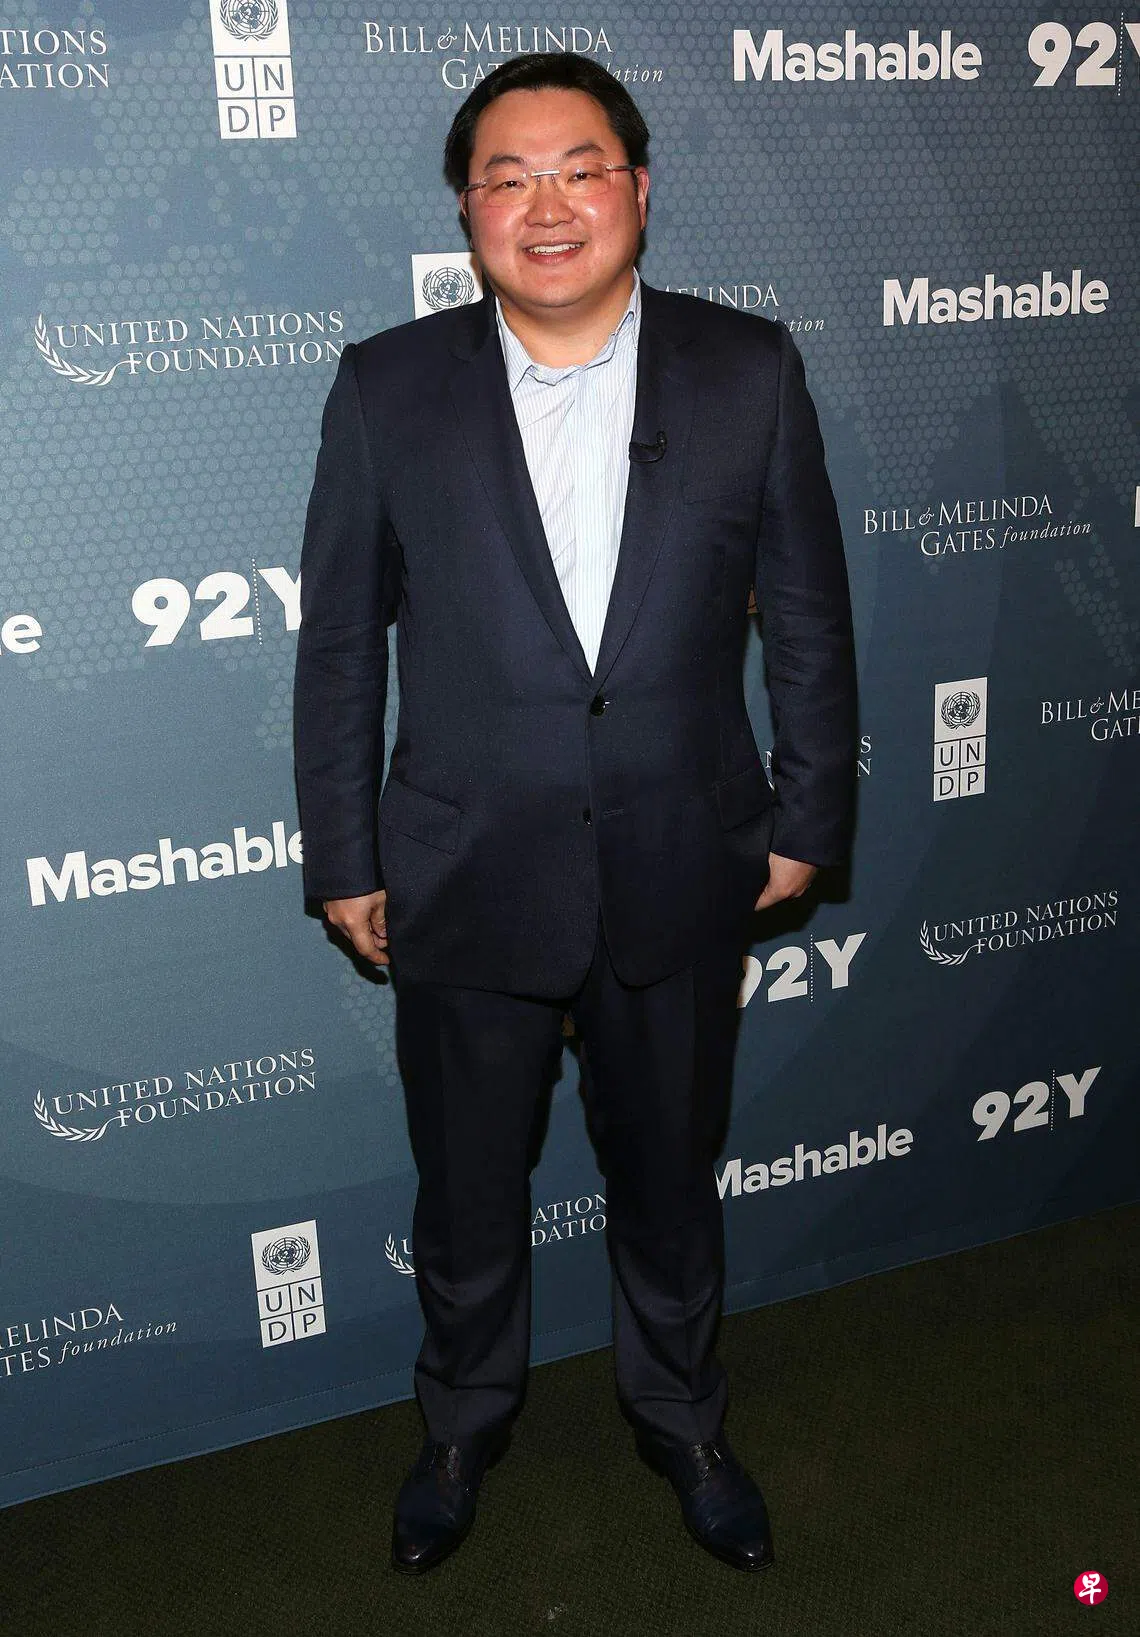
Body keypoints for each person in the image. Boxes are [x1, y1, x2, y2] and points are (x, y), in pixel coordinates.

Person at [293, 51, 856, 1576]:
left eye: (580, 169)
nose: (547, 206)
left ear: (638, 190)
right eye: (508, 177)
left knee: (671, 1182)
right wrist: (343, 852)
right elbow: (341, 643)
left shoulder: (748, 369)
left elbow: (808, 616)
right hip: (462, 868)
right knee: (468, 1190)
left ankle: (682, 1418)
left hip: (685, 856)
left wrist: (809, 814)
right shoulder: (389, 386)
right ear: (468, 210)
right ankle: (461, 1423)